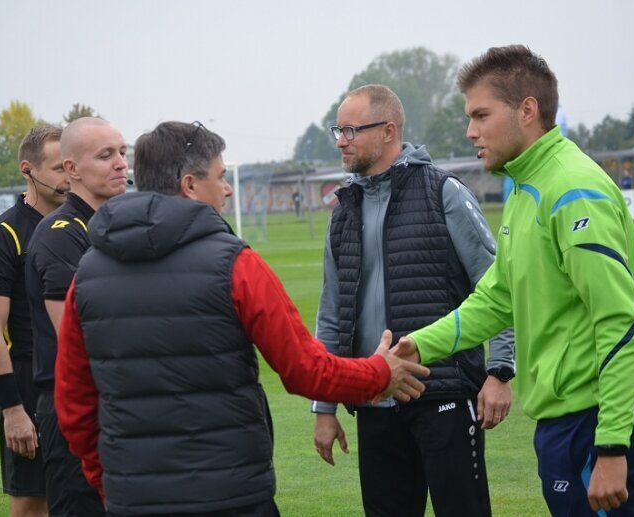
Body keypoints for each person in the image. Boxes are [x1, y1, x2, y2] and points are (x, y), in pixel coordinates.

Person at [53, 121, 431, 516]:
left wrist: (110, 484)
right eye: (220, 176)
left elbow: (74, 405)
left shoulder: (87, 276)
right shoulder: (236, 264)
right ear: (190, 185)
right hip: (231, 496)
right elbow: (304, 369)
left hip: (133, 499)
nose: (229, 187)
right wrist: (379, 373)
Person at [396, 45, 634, 516]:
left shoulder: (572, 190)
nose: (471, 131)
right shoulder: (524, 186)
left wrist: (613, 445)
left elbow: (619, 322)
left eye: (480, 115)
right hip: (563, 417)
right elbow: (497, 299)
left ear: (527, 111)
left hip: (595, 417)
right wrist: (418, 346)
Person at [311, 84, 515, 517]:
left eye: (350, 130)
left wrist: (499, 371)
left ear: (388, 131)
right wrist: (324, 406)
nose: (340, 140)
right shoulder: (342, 211)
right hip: (372, 397)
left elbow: (498, 288)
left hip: (443, 394)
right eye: (338, 130)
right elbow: (331, 315)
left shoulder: (445, 193)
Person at [24, 117, 129, 516]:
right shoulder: (60, 234)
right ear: (72, 169)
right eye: (105, 155)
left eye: (122, 151)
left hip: (119, 403)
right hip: (77, 411)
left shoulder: (120, 224)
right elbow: (76, 335)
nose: (121, 163)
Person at [0, 125, 68, 517]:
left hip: (82, 375)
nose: (67, 176)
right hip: (29, 383)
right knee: (32, 503)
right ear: (28, 169)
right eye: (59, 167)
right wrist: (13, 410)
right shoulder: (2, 235)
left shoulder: (86, 226)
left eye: (71, 166)